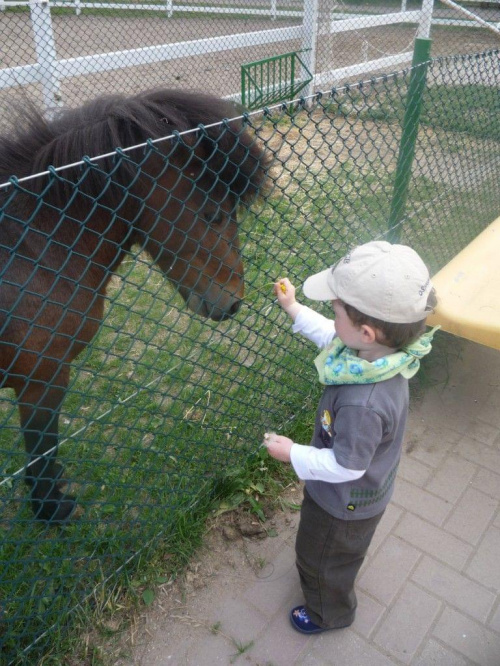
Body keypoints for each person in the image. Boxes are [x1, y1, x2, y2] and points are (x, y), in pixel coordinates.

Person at [263, 240, 438, 634]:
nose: (332, 316)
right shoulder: (378, 357)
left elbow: (346, 465)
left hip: (343, 504)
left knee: (319, 557)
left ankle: (330, 613)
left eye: (336, 308)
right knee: (340, 553)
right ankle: (335, 575)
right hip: (362, 496)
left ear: (365, 331)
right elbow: (331, 335)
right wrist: (293, 307)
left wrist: (293, 453)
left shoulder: (364, 403)